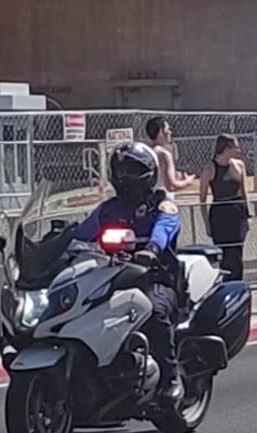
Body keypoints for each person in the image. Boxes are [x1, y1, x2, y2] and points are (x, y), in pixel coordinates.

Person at [74, 141, 184, 403]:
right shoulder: (110, 208)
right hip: (113, 276)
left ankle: (171, 377)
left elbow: (165, 228)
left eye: (133, 170)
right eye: (121, 170)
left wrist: (152, 249)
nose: (126, 176)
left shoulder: (162, 205)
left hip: (156, 277)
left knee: (154, 311)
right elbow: (83, 232)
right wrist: (58, 242)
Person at [199, 134, 250, 280]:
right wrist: (207, 224)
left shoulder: (239, 165)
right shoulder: (209, 169)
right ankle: (226, 284)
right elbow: (202, 199)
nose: (238, 150)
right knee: (225, 254)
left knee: (237, 252)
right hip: (220, 214)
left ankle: (238, 283)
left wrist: (248, 215)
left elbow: (244, 192)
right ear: (226, 148)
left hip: (237, 212)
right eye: (236, 147)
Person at [144, 117, 196, 197]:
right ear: (161, 132)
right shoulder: (164, 155)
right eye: (167, 129)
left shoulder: (144, 151)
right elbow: (171, 186)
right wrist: (188, 181)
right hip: (163, 200)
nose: (170, 132)